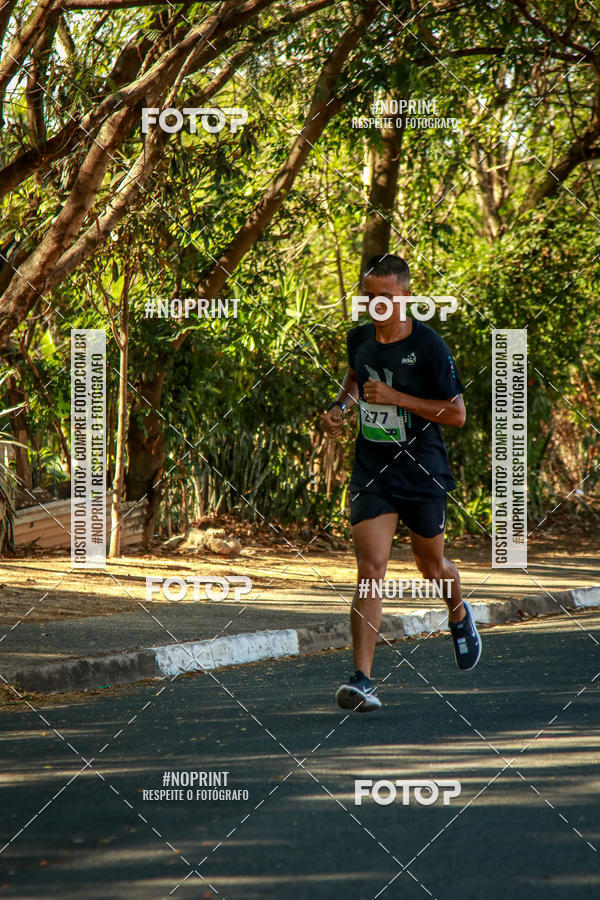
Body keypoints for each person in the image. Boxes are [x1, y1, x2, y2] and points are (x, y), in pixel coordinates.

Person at [321, 254, 481, 713]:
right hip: (374, 468)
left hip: (423, 471)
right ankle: (362, 679)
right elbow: (355, 377)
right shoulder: (359, 340)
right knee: (371, 570)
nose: (377, 307)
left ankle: (458, 612)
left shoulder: (430, 346)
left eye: (386, 299)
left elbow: (456, 414)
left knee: (431, 567)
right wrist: (340, 409)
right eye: (369, 298)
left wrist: (397, 398)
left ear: (407, 296)